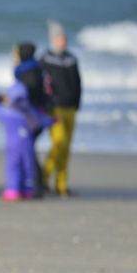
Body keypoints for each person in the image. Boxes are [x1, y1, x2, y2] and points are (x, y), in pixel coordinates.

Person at [0, 72, 55, 201]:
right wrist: (52, 120)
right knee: (27, 166)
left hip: (13, 144)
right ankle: (27, 190)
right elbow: (41, 120)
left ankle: (13, 190)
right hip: (26, 143)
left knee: (13, 166)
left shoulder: (8, 112)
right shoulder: (29, 110)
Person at [41, 20, 82, 198]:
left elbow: (78, 83)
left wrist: (77, 102)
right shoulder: (45, 59)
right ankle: (43, 179)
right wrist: (46, 105)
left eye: (64, 37)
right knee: (59, 143)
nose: (62, 40)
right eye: (59, 38)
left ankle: (61, 184)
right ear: (52, 39)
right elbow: (42, 85)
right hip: (55, 109)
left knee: (66, 148)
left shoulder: (71, 59)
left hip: (70, 108)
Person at [13, 42, 52, 198]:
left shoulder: (29, 71)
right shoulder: (35, 68)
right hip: (37, 114)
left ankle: (36, 186)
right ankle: (34, 183)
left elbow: (28, 95)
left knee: (28, 150)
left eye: (15, 53)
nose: (14, 57)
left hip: (32, 116)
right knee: (29, 150)